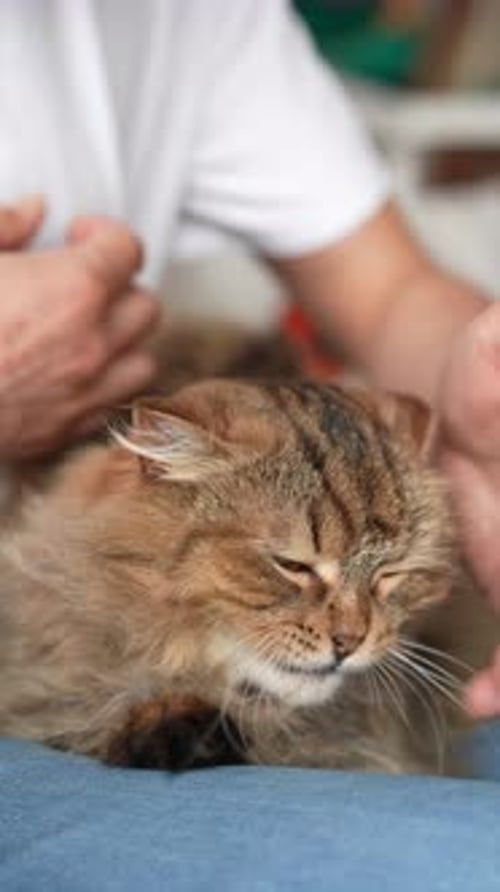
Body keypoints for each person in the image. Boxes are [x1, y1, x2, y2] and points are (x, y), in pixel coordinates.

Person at [0, 4, 499, 890]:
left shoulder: (203, 16)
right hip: (82, 677)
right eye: (290, 568)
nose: (350, 630)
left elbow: (390, 295)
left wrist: (482, 377)